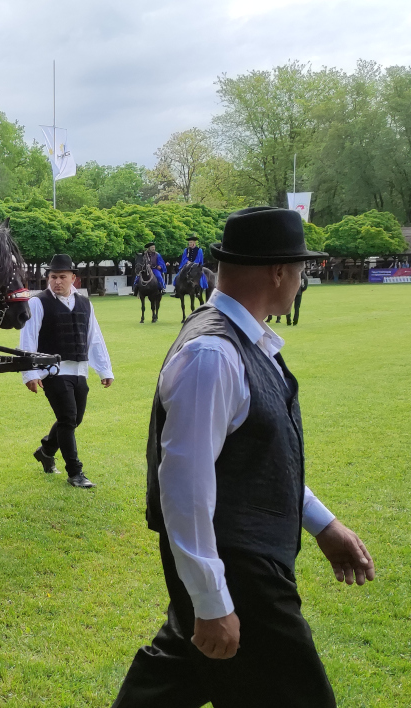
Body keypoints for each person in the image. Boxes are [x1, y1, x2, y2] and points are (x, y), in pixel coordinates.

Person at [113, 207, 375, 708]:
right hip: (241, 573)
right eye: (299, 269)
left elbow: (257, 459)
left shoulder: (246, 342)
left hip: (240, 563)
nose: (301, 281)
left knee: (171, 680)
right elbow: (185, 488)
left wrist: (322, 524)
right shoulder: (212, 354)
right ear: (277, 271)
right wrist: (212, 602)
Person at [19, 254, 114, 488]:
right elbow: (28, 339)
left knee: (73, 419)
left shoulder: (85, 303)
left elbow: (94, 338)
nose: (57, 281)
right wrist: (30, 374)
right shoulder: (38, 303)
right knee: (68, 418)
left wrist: (104, 370)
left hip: (79, 371)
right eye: (53, 277)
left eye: (62, 277)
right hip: (52, 372)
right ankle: (75, 472)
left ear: (73, 278)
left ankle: (46, 450)